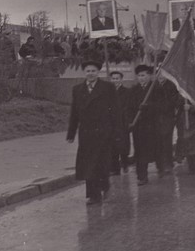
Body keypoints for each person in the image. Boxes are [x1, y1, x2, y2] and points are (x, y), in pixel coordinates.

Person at [67, 60, 121, 204]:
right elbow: (74, 112)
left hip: (103, 132)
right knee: (88, 164)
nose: (90, 74)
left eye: (93, 71)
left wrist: (116, 132)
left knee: (100, 162)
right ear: (84, 73)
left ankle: (104, 184)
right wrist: (71, 133)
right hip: (86, 133)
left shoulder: (107, 87)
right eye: (88, 71)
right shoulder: (77, 89)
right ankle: (93, 195)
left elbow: (115, 111)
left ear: (98, 72)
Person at [128, 65, 158, 186]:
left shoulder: (155, 89)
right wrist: (130, 121)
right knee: (140, 151)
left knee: (154, 148)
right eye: (139, 76)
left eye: (144, 75)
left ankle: (161, 167)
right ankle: (142, 176)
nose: (141, 78)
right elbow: (129, 108)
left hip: (152, 125)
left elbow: (161, 105)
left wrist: (149, 107)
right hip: (138, 126)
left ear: (149, 76)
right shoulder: (133, 90)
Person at [153, 74, 178, 176]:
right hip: (156, 117)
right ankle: (160, 165)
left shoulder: (171, 86)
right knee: (158, 141)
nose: (160, 77)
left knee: (167, 140)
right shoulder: (153, 86)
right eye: (158, 75)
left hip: (168, 117)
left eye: (162, 75)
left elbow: (174, 100)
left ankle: (168, 163)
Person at [176, 99, 195, 175]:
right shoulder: (182, 92)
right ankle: (192, 166)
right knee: (188, 144)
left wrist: (191, 107)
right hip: (186, 122)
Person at [109, 71, 130, 175]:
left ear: (121, 79)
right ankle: (115, 168)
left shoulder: (126, 92)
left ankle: (125, 164)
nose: (115, 81)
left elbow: (127, 107)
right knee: (112, 146)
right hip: (111, 123)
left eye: (117, 78)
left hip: (122, 123)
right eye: (113, 78)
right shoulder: (108, 92)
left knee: (123, 145)